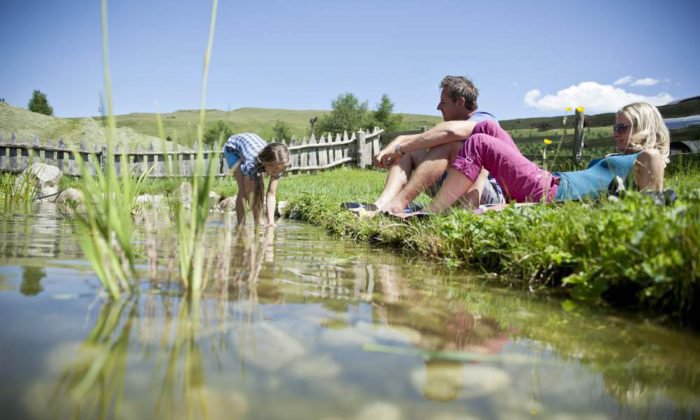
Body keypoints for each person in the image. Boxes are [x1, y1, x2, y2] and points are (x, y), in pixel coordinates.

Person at [404, 102, 668, 215]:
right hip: (549, 181)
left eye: (622, 128)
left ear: (643, 127)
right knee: (489, 129)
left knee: (480, 142)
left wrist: (522, 208)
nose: (615, 134)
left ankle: (431, 213)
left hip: (549, 191)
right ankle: (445, 207)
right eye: (615, 127)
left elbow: (645, 210)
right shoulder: (623, 158)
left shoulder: (650, 156)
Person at [360, 76, 505, 216]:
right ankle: (381, 205)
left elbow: (449, 132)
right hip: (456, 187)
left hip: (485, 196)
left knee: (450, 145)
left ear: (460, 102)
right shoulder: (455, 125)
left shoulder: (485, 120)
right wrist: (399, 142)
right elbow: (423, 138)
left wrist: (400, 147)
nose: (438, 107)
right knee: (411, 151)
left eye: (443, 102)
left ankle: (401, 205)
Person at [223, 133, 290, 227]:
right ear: (265, 163)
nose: (276, 173)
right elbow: (247, 193)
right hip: (232, 149)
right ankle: (241, 225)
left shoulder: (279, 164)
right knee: (244, 190)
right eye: (274, 171)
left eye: (280, 170)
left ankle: (258, 222)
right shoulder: (252, 163)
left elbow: (271, 194)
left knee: (259, 186)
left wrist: (271, 222)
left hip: (251, 147)